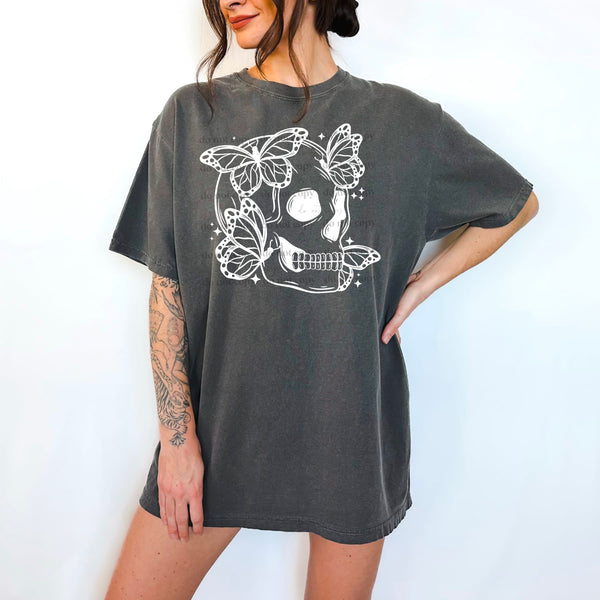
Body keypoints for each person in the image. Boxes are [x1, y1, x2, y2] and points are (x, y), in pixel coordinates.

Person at [104, 0, 539, 598]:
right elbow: (168, 285)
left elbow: (515, 204)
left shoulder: (405, 124)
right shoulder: (192, 115)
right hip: (221, 438)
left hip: (349, 441)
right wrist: (178, 445)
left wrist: (422, 283)